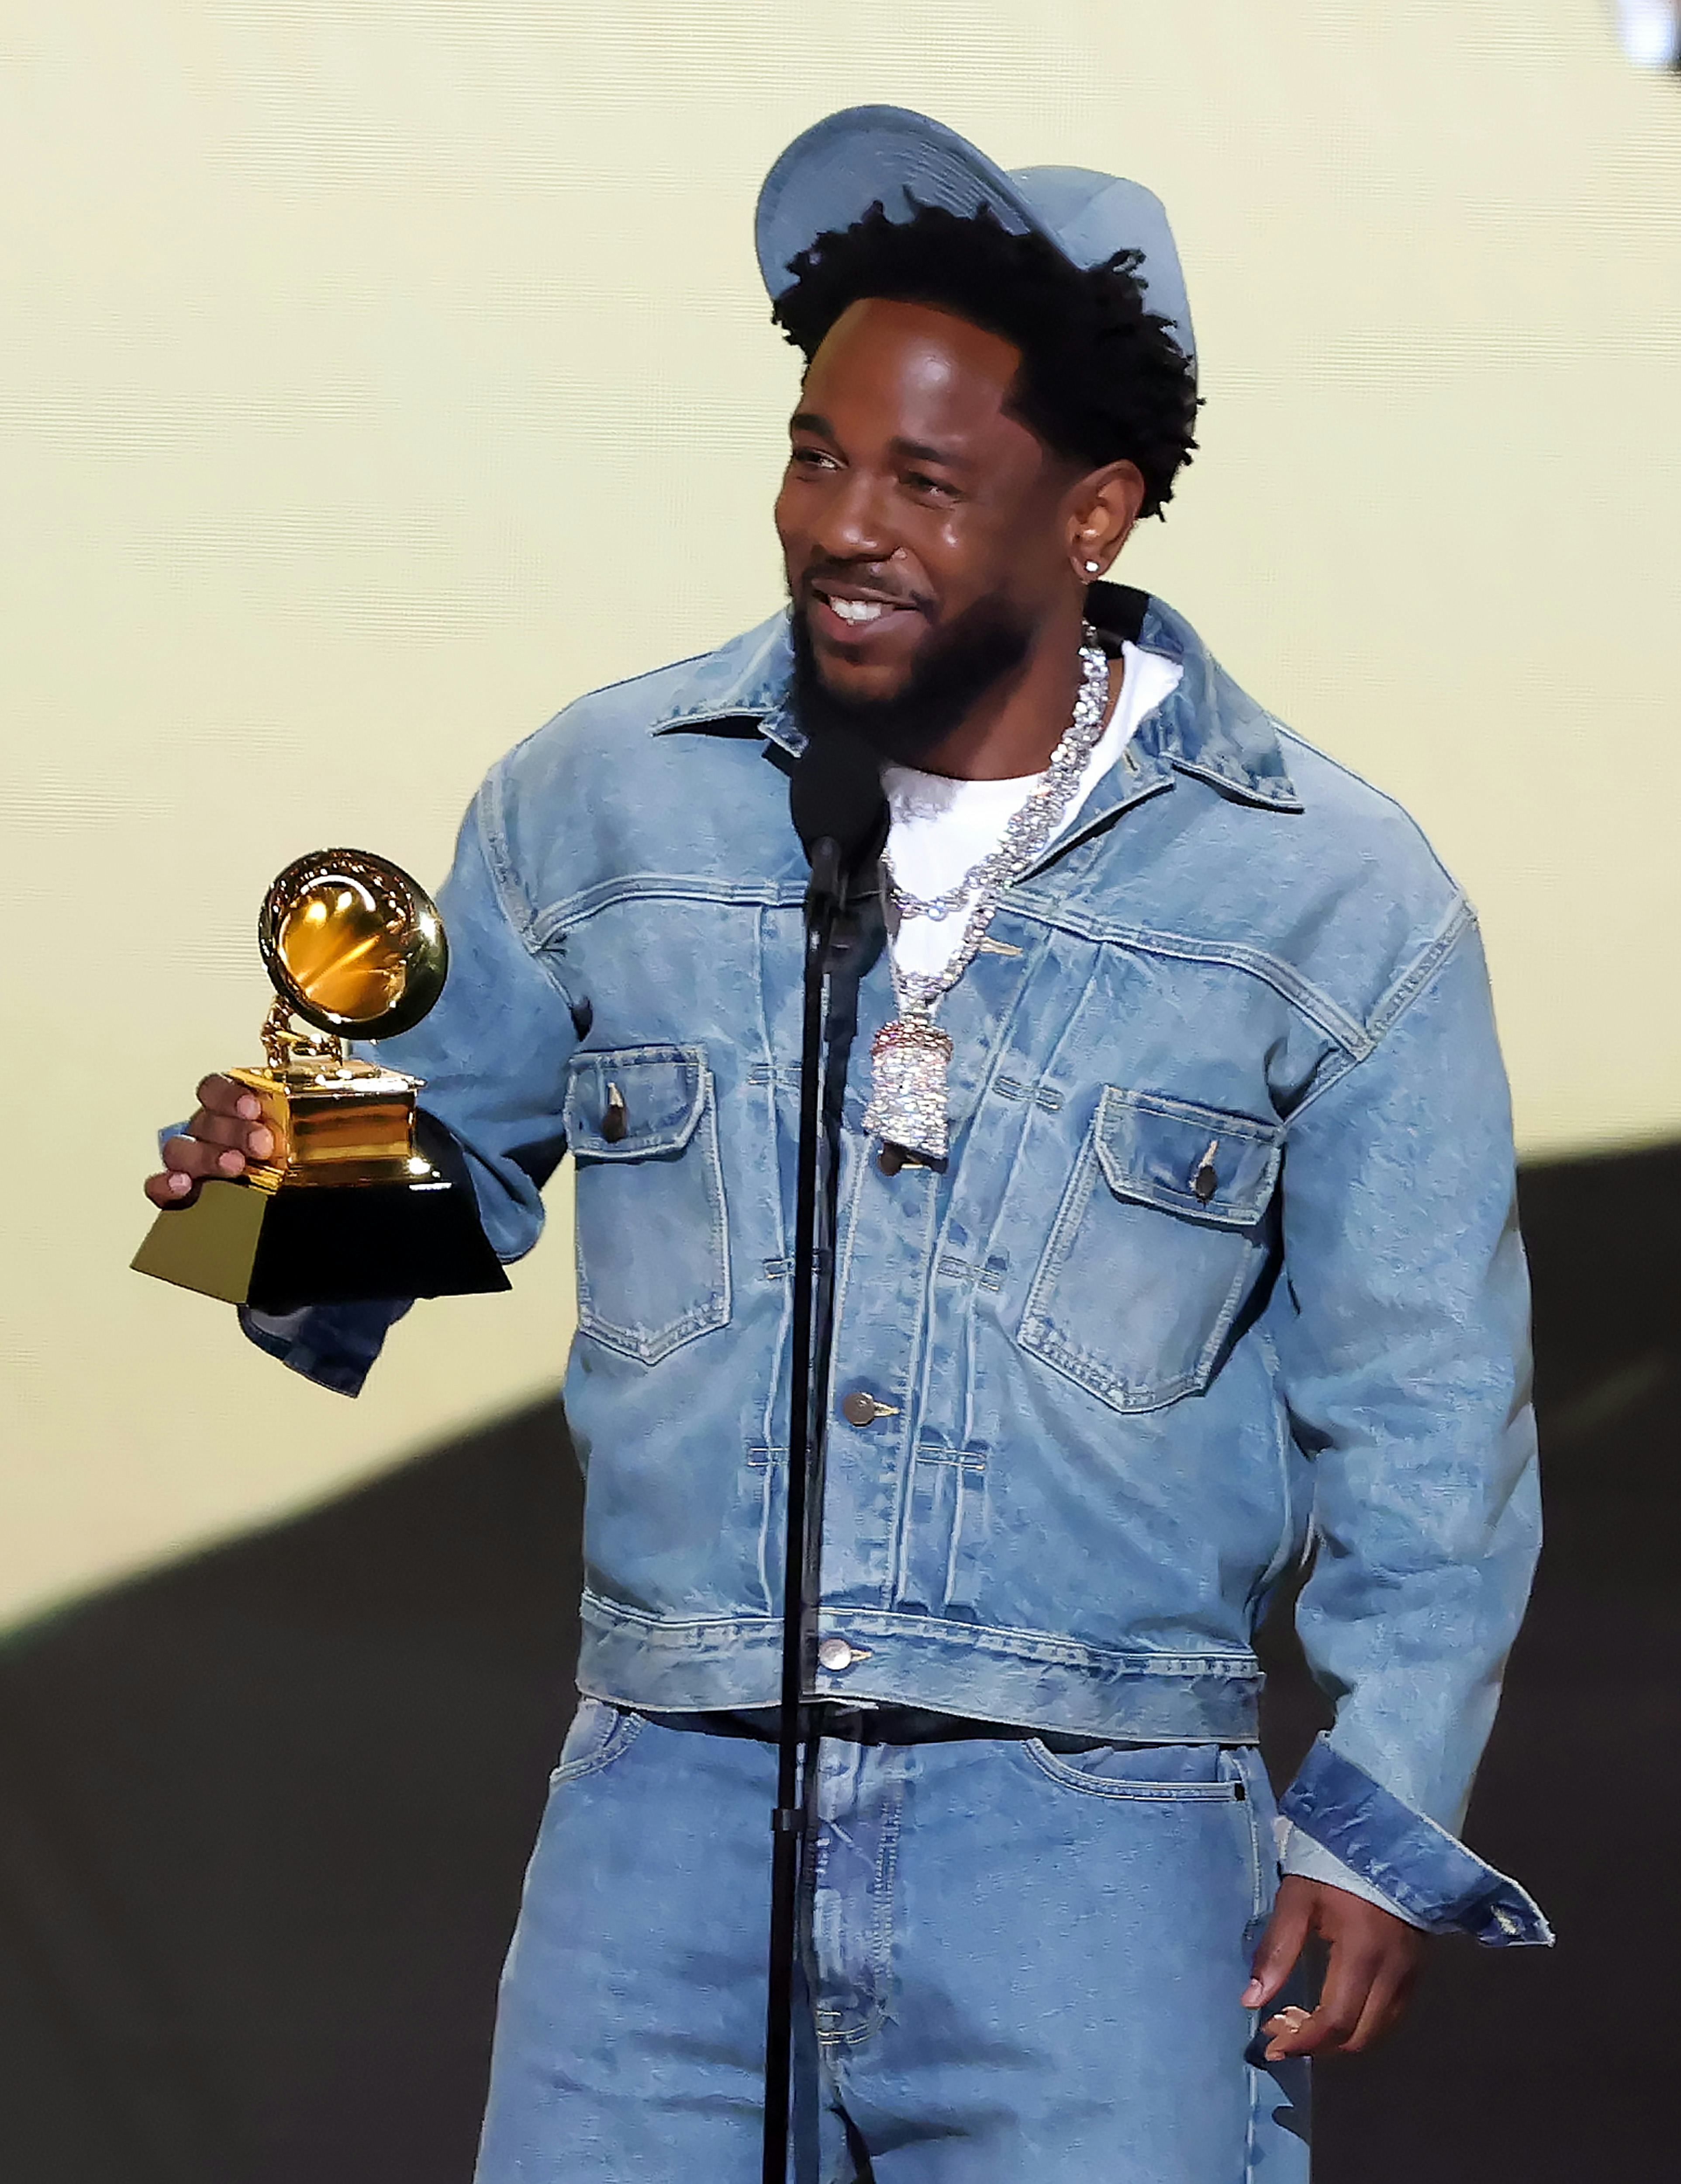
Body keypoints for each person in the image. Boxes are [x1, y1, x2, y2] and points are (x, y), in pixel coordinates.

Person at [145, 106, 1550, 2183]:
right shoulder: (608, 796)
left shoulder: (1331, 893)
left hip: (1093, 1838)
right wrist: (268, 1199)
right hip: (669, 1809)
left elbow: (1429, 1413)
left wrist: (1384, 1815)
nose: (844, 524)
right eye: (816, 455)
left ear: (1095, 514)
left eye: (924, 479)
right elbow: (451, 1179)